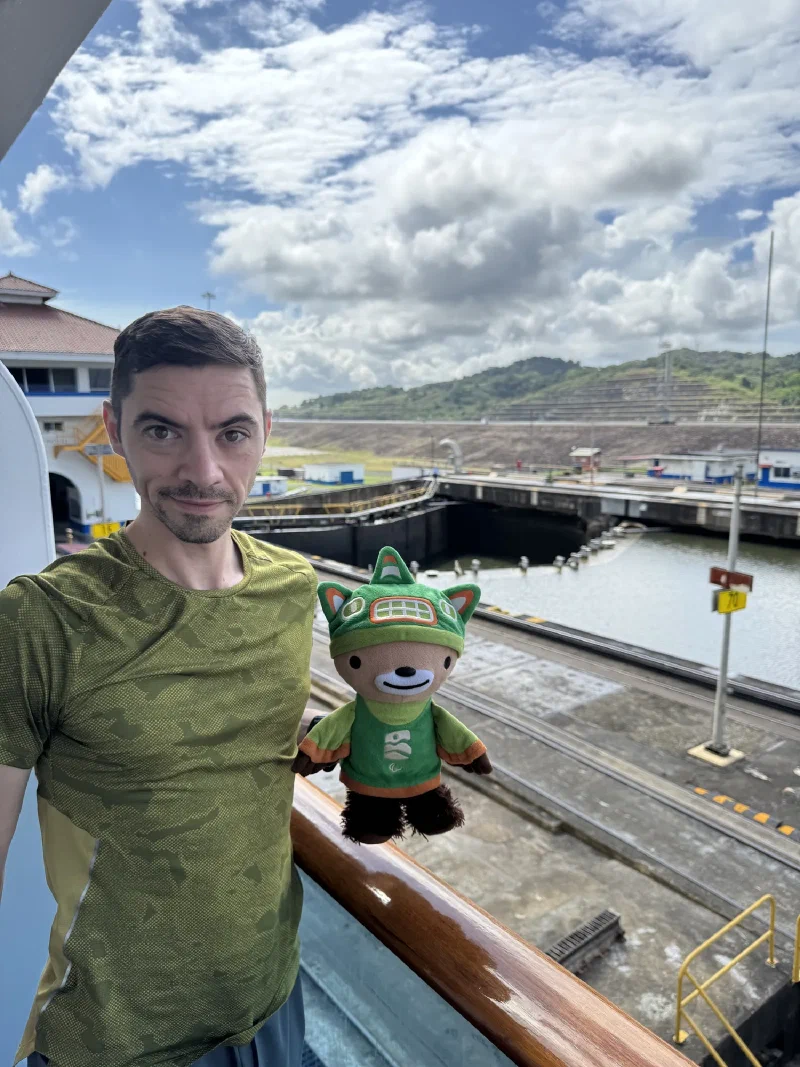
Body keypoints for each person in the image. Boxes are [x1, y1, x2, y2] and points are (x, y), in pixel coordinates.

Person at [0, 307, 321, 1067]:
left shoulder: (293, 587)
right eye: (163, 429)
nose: (203, 471)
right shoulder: (41, 619)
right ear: (114, 428)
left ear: (265, 431)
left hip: (272, 1004)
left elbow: (247, 730)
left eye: (232, 433)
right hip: (113, 1044)